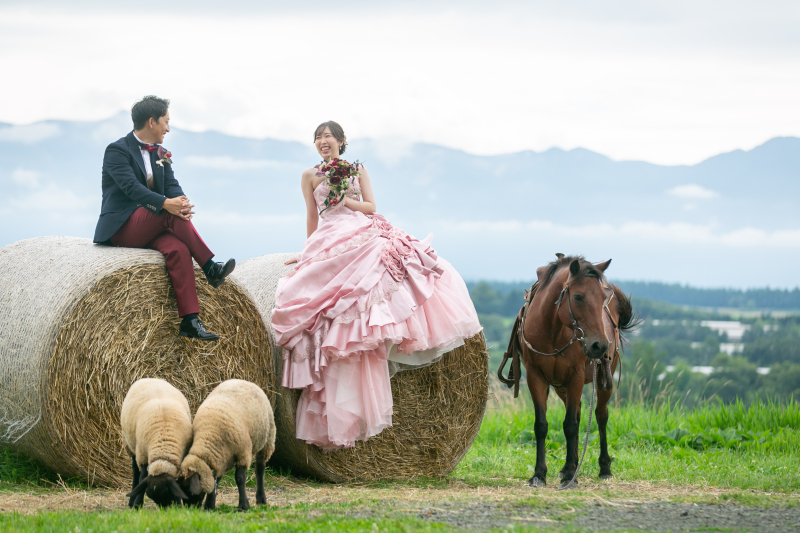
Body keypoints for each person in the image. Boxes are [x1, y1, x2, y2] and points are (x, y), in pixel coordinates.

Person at [271, 121, 482, 450]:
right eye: (318, 138)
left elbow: (371, 206)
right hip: (328, 233)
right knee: (302, 292)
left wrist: (346, 201)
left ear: (341, 141)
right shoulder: (308, 175)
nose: (323, 142)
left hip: (360, 227)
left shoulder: (357, 169)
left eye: (329, 137)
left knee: (389, 271)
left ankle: (377, 332)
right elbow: (312, 216)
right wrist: (306, 253)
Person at [93, 96, 235, 341]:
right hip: (122, 227)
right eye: (166, 122)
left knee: (179, 248)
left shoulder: (161, 153)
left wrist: (181, 201)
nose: (168, 128)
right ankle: (210, 267)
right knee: (172, 215)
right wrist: (167, 205)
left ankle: (190, 320)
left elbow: (171, 185)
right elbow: (131, 189)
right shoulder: (117, 150)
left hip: (151, 225)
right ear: (151, 122)